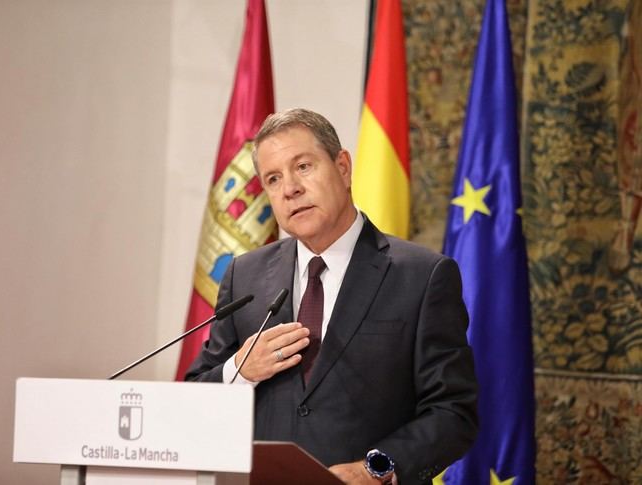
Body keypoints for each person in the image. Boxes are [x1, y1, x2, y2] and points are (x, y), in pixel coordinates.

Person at [185, 108, 478, 485]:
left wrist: (375, 468)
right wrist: (239, 371)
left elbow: (453, 412)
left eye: (303, 166)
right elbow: (194, 397)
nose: (290, 188)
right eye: (273, 179)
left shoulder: (422, 276)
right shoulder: (246, 275)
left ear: (343, 168)